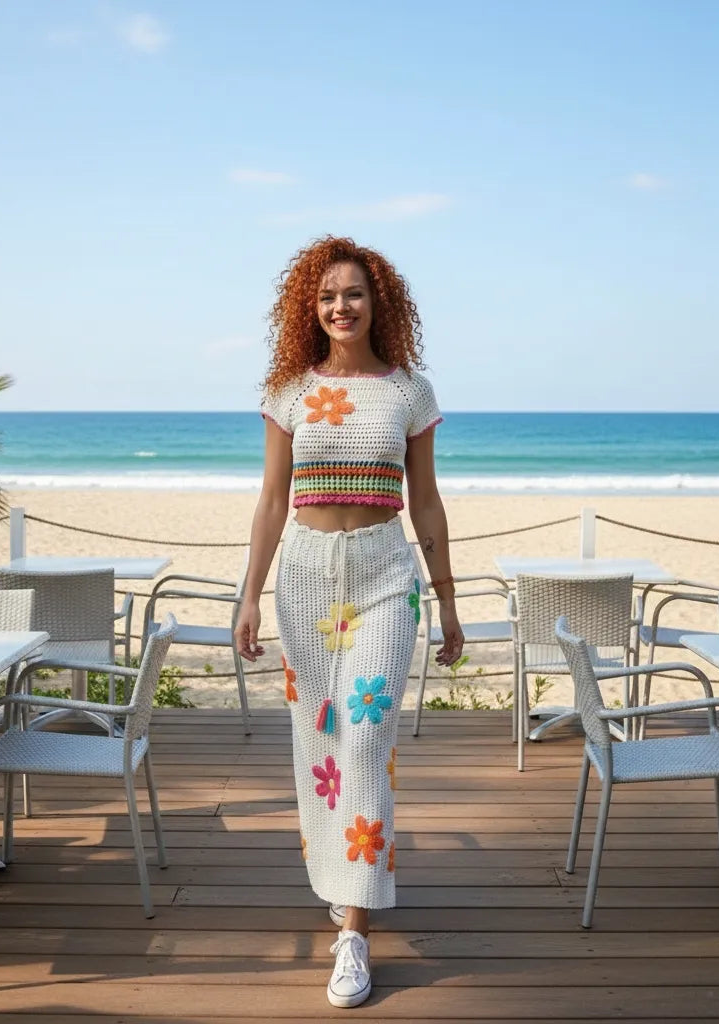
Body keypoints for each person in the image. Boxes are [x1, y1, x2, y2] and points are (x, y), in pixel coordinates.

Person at [234, 236, 464, 1008]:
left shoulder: (408, 393)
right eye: (329, 295)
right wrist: (248, 594)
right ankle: (340, 876)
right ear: (312, 305)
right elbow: (271, 501)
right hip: (303, 578)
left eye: (355, 294)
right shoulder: (290, 391)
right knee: (320, 740)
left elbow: (425, 500)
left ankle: (354, 932)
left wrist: (449, 597)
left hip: (383, 576)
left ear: (379, 304)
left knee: (364, 740)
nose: (342, 306)